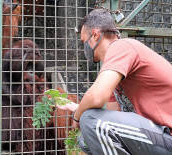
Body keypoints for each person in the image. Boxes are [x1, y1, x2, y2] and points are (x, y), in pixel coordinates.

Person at [57, 9, 172, 155]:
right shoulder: (114, 72)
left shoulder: (121, 47)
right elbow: (111, 115)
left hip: (167, 135)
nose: (84, 47)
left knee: (91, 121)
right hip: (157, 135)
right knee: (85, 140)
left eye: (83, 42)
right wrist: (77, 107)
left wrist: (77, 116)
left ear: (95, 35)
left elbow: (96, 98)